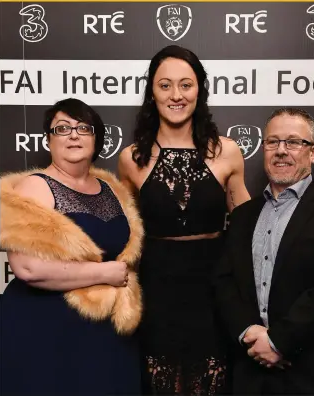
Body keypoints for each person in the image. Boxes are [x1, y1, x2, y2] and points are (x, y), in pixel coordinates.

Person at [118, 45, 251, 395]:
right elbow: (126, 233)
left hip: (214, 286)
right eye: (165, 85)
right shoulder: (131, 159)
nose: (176, 95)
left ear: (199, 90)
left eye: (185, 85)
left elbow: (248, 225)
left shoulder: (227, 151)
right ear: (151, 92)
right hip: (157, 286)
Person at [0, 98, 144, 395]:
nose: (74, 135)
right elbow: (27, 268)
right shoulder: (35, 187)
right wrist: (103, 273)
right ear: (48, 141)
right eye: (62, 129)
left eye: (83, 128)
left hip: (105, 332)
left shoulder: (113, 190)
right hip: (43, 329)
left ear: (96, 138)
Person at [215, 108, 314, 395]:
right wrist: (248, 335)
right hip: (250, 372)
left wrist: (278, 341)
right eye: (273, 142)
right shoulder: (242, 216)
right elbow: (224, 281)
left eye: (293, 142)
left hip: (313, 372)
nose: (281, 151)